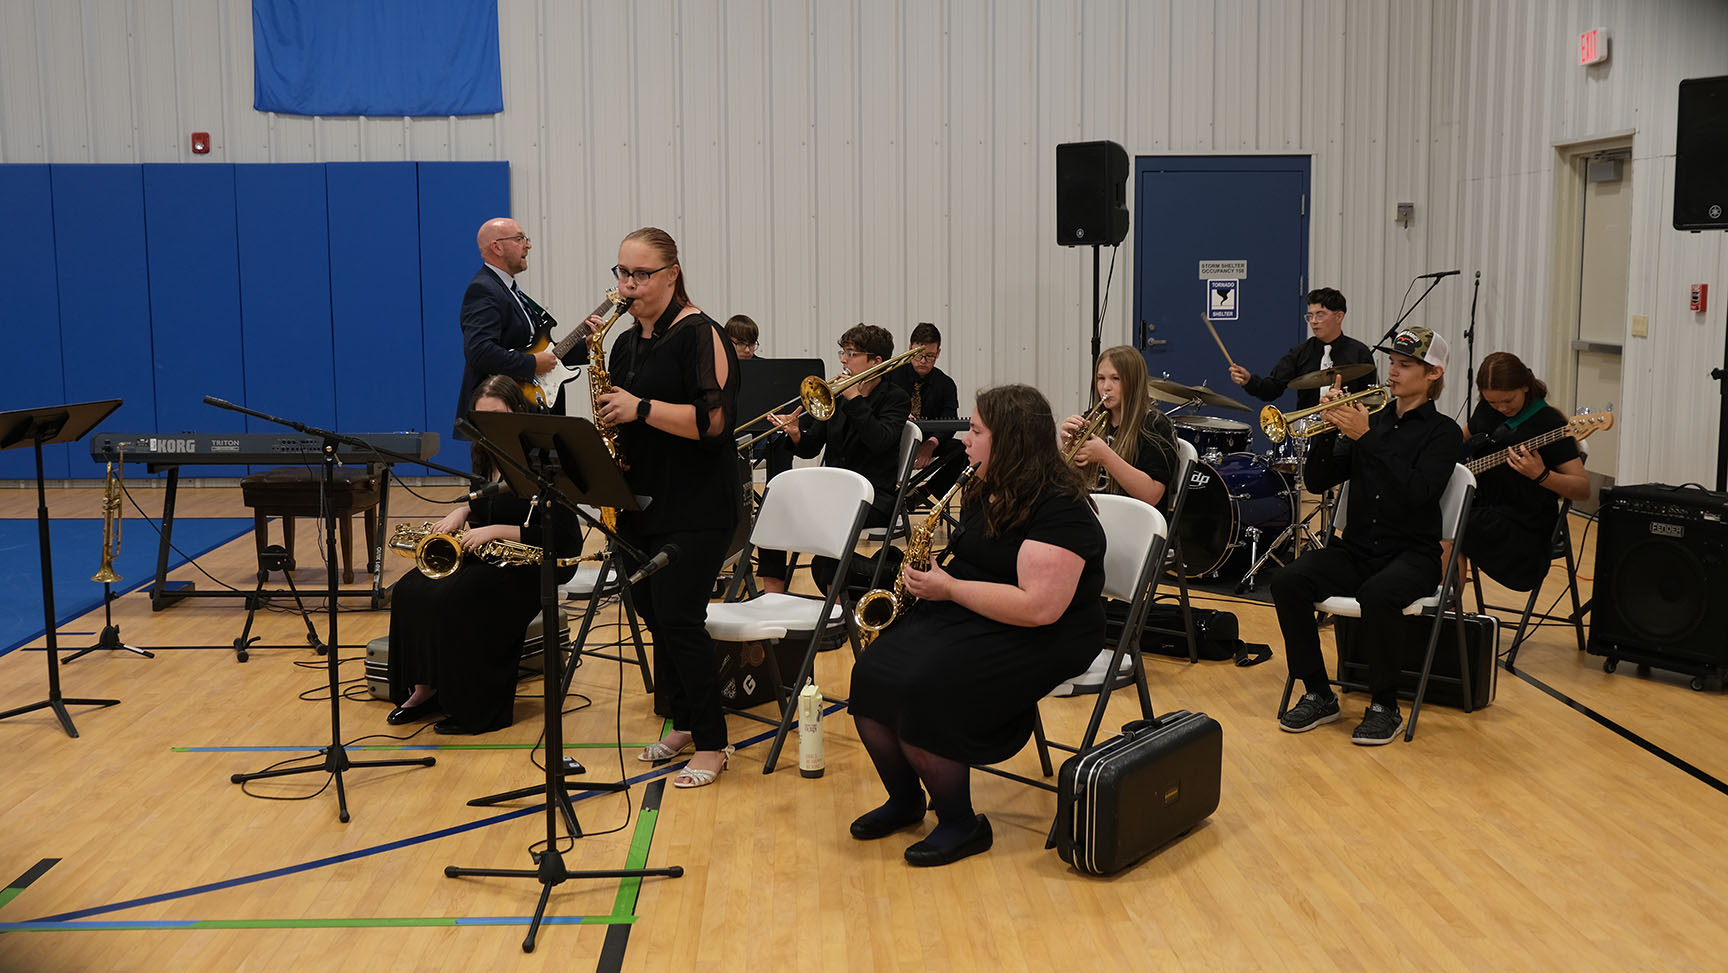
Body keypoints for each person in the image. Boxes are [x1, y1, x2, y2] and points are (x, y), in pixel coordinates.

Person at [847, 384, 1106, 867]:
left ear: (1009, 440)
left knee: (925, 686)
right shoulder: (988, 485)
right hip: (975, 606)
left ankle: (961, 823)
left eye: (977, 430)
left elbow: (1038, 609)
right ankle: (905, 801)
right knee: (872, 672)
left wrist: (948, 589)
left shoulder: (1061, 508)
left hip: (1049, 632)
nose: (965, 439)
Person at [592, 227, 741, 788]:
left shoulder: (702, 334)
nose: (628, 286)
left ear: (672, 274)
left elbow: (713, 424)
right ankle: (679, 721)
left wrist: (641, 408)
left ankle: (713, 743)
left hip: (697, 503)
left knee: (680, 620)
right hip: (641, 502)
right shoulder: (628, 340)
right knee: (655, 616)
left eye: (641, 274)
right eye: (622, 274)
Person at [1270, 326, 1461, 745]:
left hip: (1413, 554)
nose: (1393, 371)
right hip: (1356, 549)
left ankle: (1385, 705)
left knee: (1378, 594)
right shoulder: (1370, 421)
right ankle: (1319, 693)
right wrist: (1325, 431)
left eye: (1405, 364)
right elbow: (1319, 481)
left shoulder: (1443, 433)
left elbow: (1419, 492)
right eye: (1393, 362)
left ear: (1433, 374)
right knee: (1287, 581)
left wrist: (1365, 437)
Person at [387, 375, 581, 735]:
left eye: (497, 416)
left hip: (536, 560)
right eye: (481, 417)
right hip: (494, 554)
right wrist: (462, 513)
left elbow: (565, 538)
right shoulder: (484, 450)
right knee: (410, 588)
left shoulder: (542, 456)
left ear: (518, 412)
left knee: (457, 596)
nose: (488, 425)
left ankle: (477, 709)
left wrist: (494, 531)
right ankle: (425, 687)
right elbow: (487, 506)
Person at [1053, 345, 1180, 696]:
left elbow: (1152, 494)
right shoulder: (1095, 418)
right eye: (1100, 378)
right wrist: (1066, 445)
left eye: (1114, 380)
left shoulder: (1155, 426)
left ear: (1134, 382)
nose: (1105, 388)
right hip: (1095, 524)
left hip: (1134, 534)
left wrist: (1106, 456)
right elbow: (1065, 481)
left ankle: (1070, 643)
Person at [757, 324, 911, 595]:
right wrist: (795, 433)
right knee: (772, 510)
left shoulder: (895, 398)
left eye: (851, 353)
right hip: (832, 493)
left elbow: (880, 441)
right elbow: (811, 447)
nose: (843, 359)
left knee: (829, 524)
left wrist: (853, 399)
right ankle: (773, 599)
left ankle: (838, 614)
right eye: (843, 352)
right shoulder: (837, 396)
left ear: (876, 361)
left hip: (872, 496)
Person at [1457, 352, 1590, 591]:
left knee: (1445, 524)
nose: (1501, 408)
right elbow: (1459, 440)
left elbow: (1582, 489)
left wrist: (1541, 475)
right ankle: (1443, 613)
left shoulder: (1549, 424)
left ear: (1525, 387)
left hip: (1524, 529)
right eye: (1492, 402)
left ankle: (1445, 613)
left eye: (1508, 400)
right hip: (1483, 511)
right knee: (1433, 515)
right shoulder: (1486, 411)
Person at [453, 218, 560, 432]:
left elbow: (537, 349)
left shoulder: (507, 289)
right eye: (520, 239)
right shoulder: (484, 290)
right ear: (497, 247)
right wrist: (530, 364)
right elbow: (479, 352)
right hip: (498, 418)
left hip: (519, 412)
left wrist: (585, 344)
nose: (528, 245)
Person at [1229, 287, 1377, 410]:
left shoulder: (1359, 353)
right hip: (1308, 436)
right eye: (1310, 316)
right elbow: (1271, 389)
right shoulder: (1300, 353)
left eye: (1320, 315)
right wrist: (1249, 381)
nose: (1313, 322)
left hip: (1349, 434)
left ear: (1339, 317)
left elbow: (1372, 399)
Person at [887, 322, 966, 496]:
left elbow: (950, 420)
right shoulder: (890, 376)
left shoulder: (945, 384)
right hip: (893, 442)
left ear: (938, 353)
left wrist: (930, 444)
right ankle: (891, 500)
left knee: (963, 451)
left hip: (929, 441)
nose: (923, 361)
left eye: (930, 356)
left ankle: (923, 495)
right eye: (918, 355)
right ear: (910, 349)